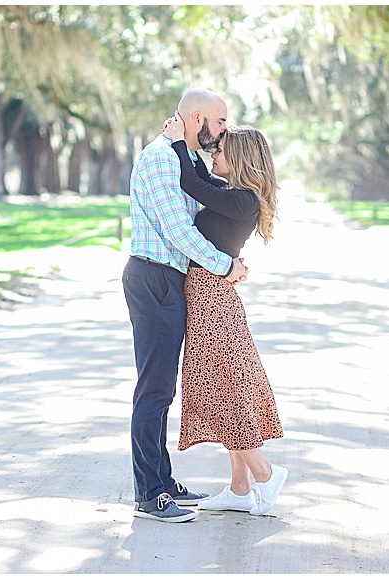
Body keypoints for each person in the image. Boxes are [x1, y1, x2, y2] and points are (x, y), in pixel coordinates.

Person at [122, 88, 248, 523]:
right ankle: (149, 495)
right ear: (197, 118)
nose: (225, 129)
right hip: (154, 275)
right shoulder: (160, 159)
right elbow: (179, 230)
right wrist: (224, 265)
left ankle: (162, 479)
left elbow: (207, 198)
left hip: (169, 280)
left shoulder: (183, 158)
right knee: (154, 388)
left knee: (163, 387)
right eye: (220, 121)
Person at [161, 113, 287, 516]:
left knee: (225, 390)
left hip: (212, 298)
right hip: (210, 295)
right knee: (224, 386)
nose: (214, 154)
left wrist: (180, 141)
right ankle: (238, 488)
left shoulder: (243, 199)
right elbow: (200, 177)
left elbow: (190, 182)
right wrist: (191, 147)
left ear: (241, 158)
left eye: (222, 150)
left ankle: (265, 474)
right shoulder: (237, 194)